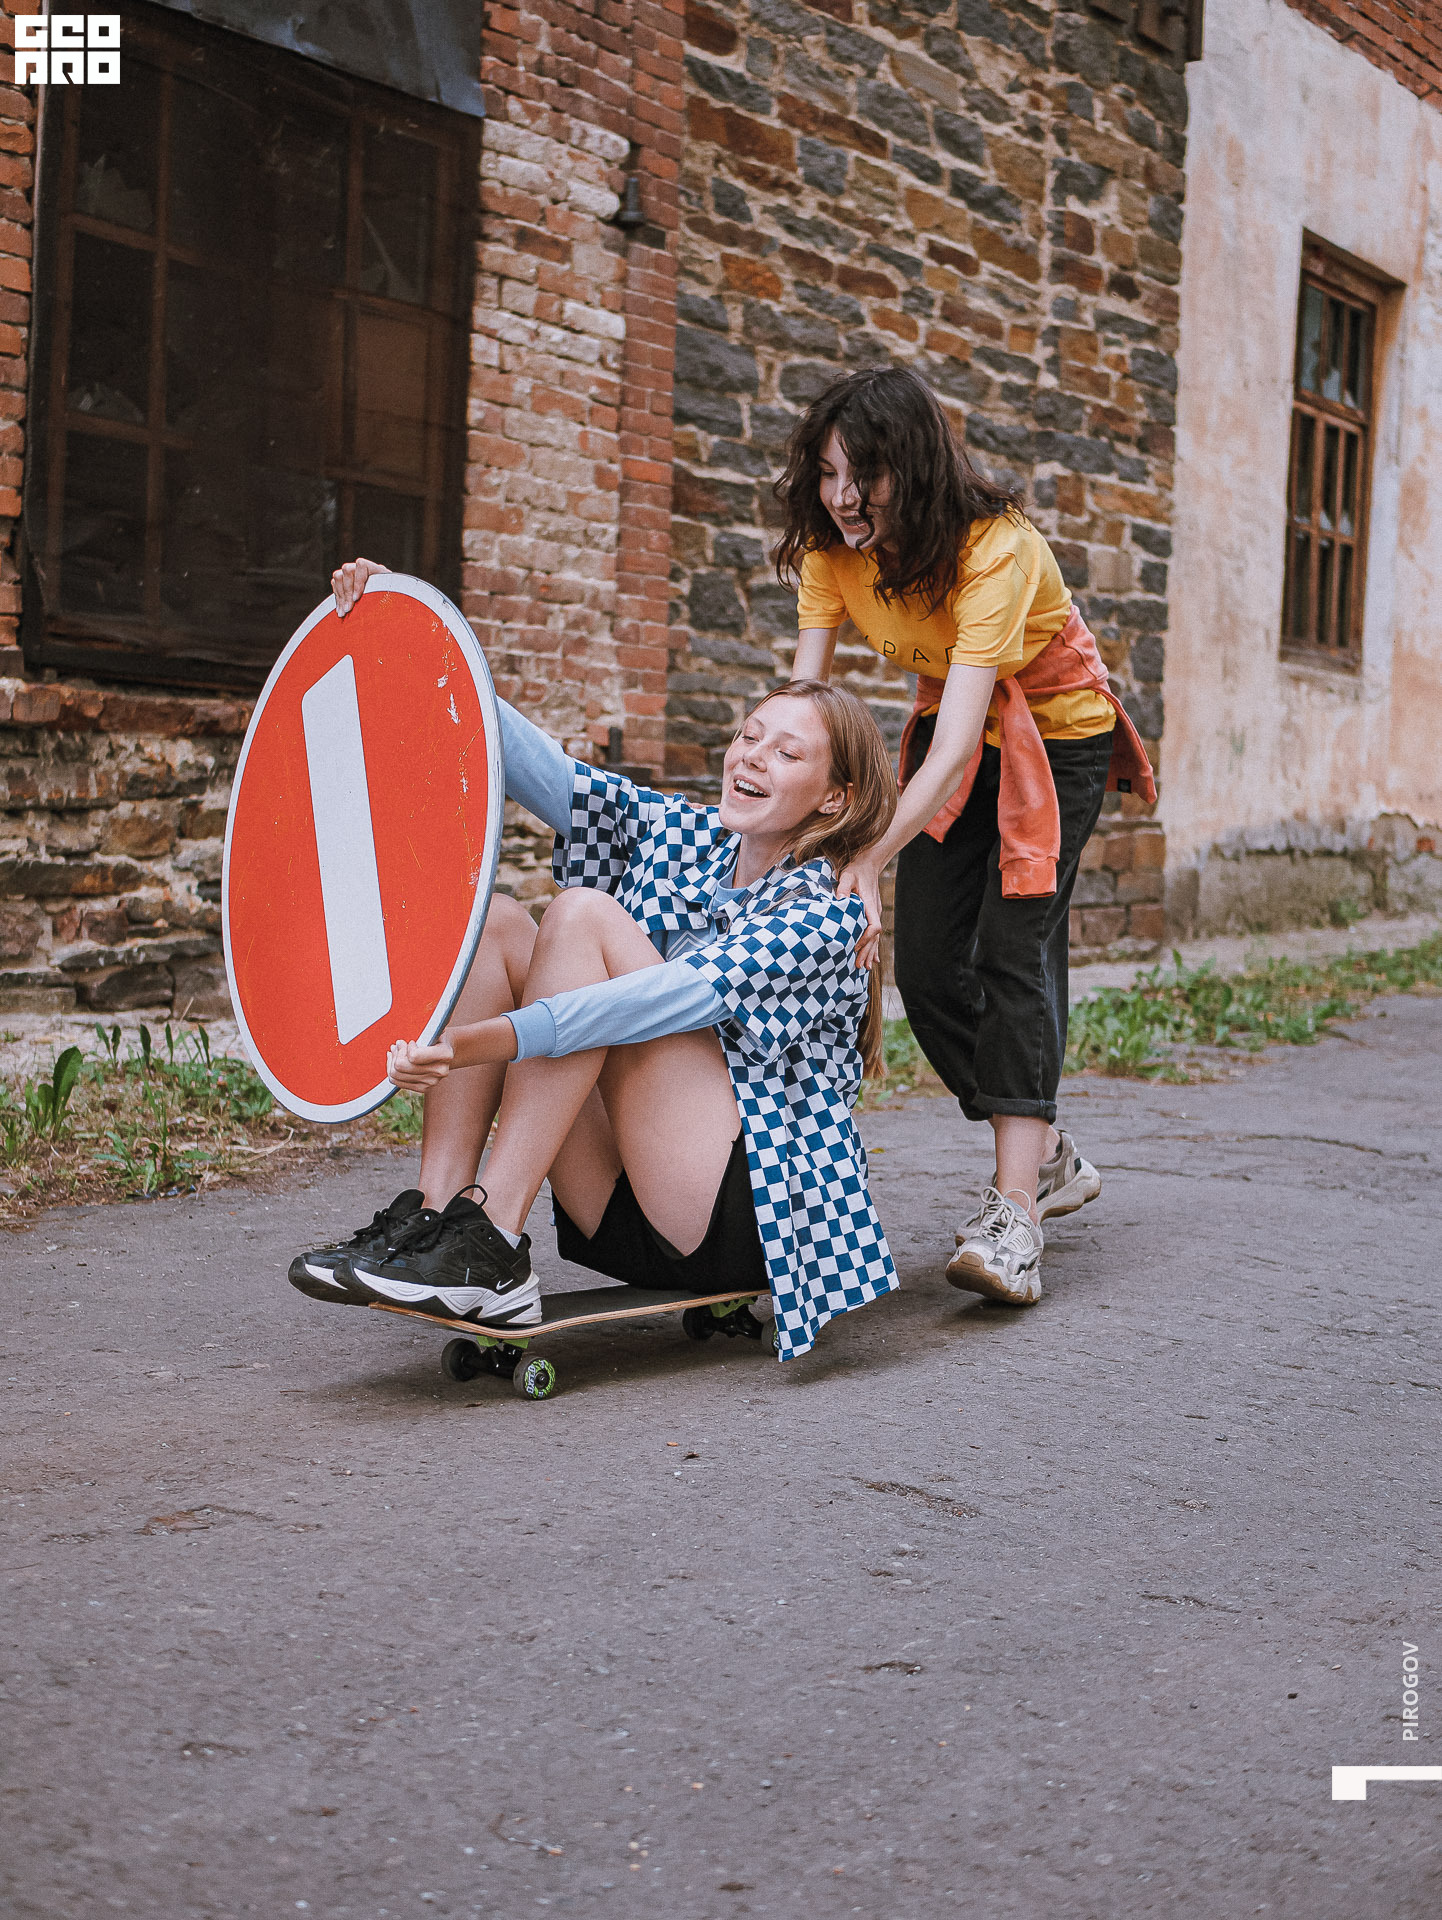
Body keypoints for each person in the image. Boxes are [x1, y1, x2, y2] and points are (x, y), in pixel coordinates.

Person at [290, 558, 900, 1362]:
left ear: (834, 798)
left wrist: (472, 1044)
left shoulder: (824, 915)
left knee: (581, 917)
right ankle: (437, 1221)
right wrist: (403, 630)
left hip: (750, 1221)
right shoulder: (694, 841)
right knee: (499, 923)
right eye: (749, 735)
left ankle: (494, 1238)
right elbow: (546, 773)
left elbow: (645, 1008)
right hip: (621, 1206)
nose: (750, 756)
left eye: (786, 754)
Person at [775, 366, 1155, 1308]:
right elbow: (806, 705)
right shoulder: (834, 552)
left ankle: (1016, 1210)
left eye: (867, 473)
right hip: (962, 729)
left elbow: (944, 757)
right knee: (932, 968)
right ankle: (1051, 1149)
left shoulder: (997, 547)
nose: (845, 497)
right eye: (828, 474)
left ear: (918, 466)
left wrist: (864, 854)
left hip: (1055, 738)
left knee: (1010, 949)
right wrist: (769, 821)